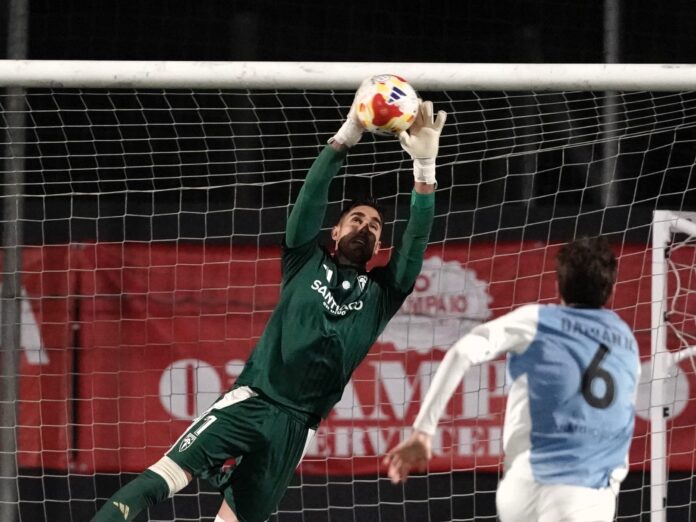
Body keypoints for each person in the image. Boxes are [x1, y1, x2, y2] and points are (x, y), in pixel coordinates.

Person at [93, 87, 446, 521]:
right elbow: (311, 198)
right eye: (356, 219)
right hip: (253, 401)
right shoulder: (303, 259)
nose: (366, 227)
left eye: (374, 227)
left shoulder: (381, 294)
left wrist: (424, 168)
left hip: (297, 429)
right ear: (334, 233)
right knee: (162, 478)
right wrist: (348, 133)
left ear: (378, 247)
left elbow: (415, 240)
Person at [383, 237, 640, 522]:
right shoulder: (626, 340)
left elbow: (461, 352)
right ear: (611, 289)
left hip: (520, 487)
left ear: (558, 285)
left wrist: (423, 431)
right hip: (584, 493)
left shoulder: (537, 319)